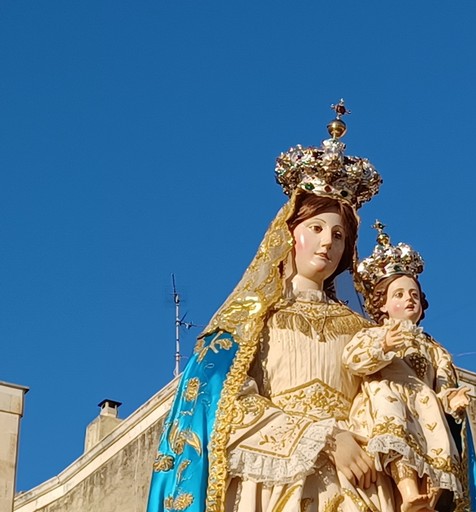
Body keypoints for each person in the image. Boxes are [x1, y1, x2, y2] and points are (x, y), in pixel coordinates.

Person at [147, 103, 396, 512]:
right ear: (288, 236)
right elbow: (225, 408)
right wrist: (325, 437)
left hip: (358, 486)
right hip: (274, 484)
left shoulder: (362, 331)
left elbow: (385, 402)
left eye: (338, 234)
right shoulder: (252, 320)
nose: (327, 242)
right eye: (315, 228)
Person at [343, 223, 472, 512]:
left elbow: (442, 385)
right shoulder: (374, 332)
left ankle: (432, 499)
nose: (408, 299)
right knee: (392, 416)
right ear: (383, 305)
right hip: (386, 396)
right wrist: (384, 345)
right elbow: (352, 359)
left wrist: (453, 400)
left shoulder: (435, 349)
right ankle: (408, 491)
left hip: (424, 407)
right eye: (398, 295)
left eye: (413, 294)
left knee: (437, 444)